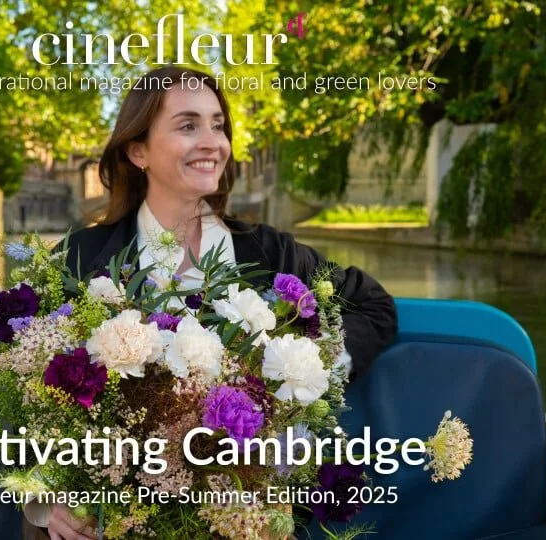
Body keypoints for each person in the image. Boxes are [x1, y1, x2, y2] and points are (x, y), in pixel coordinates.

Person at [39, 66, 397, 540]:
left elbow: (372, 305)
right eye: (188, 125)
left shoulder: (269, 252)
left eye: (218, 125)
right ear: (138, 150)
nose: (213, 142)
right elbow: (35, 394)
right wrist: (47, 499)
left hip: (249, 514)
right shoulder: (81, 258)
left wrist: (305, 372)